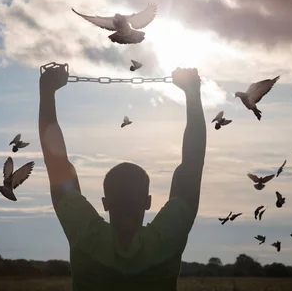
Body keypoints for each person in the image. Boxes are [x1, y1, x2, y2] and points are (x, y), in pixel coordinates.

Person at [39, 63, 207, 290]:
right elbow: (192, 165)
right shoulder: (167, 238)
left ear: (105, 204)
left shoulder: (86, 235)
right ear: (147, 202)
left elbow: (56, 162)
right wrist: (192, 93)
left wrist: (47, 91)